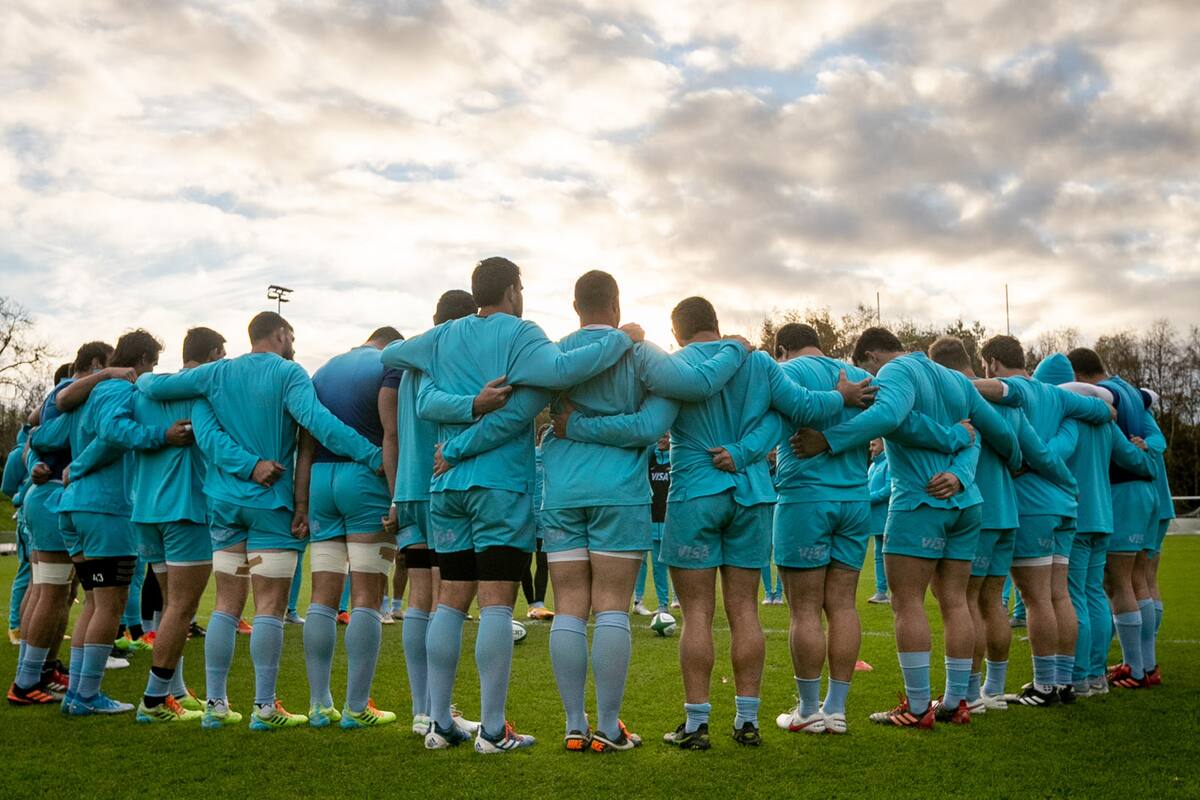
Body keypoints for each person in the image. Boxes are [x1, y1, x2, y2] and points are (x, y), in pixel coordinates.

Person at [564, 297, 872, 748]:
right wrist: (840, 396)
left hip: (695, 494)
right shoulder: (760, 362)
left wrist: (579, 425)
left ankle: (696, 724)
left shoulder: (675, 366)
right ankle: (747, 721)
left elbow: (647, 427)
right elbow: (800, 410)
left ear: (676, 333)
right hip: (752, 496)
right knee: (745, 610)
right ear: (717, 325)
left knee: (697, 616)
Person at [381, 257, 643, 753]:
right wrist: (620, 338)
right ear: (513, 289)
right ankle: (495, 730)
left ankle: (438, 723)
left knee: (450, 600)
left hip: (446, 488)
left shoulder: (442, 336)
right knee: (497, 602)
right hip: (498, 486)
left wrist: (452, 402)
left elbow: (389, 357)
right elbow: (565, 368)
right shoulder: (522, 333)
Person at [537, 271, 753, 753]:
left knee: (569, 606)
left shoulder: (554, 354)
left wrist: (574, 426)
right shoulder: (637, 352)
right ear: (615, 305)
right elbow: (663, 414)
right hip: (619, 492)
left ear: (576, 307)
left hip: (563, 492)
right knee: (612, 604)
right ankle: (609, 729)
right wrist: (737, 348)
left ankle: (574, 726)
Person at [136, 311, 383, 731]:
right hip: (270, 503)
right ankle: (264, 708)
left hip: (224, 506)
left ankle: (216, 707)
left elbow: (151, 385)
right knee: (269, 605)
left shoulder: (215, 374)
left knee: (226, 606)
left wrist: (245, 465)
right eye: (292, 335)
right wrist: (373, 456)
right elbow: (319, 423)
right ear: (281, 334)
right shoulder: (289, 373)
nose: (293, 343)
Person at [791, 327, 1021, 728]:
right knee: (956, 601)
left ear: (871, 356)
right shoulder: (953, 377)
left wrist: (828, 440)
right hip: (966, 504)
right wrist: (968, 471)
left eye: (868, 374)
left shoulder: (894, 372)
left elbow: (888, 416)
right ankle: (958, 700)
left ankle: (917, 708)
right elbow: (984, 432)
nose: (870, 384)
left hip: (919, 500)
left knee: (908, 602)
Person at [36, 331, 193, 715]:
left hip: (75, 506)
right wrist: (162, 435)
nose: (150, 373)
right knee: (110, 605)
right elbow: (112, 435)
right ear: (140, 359)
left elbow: (45, 432)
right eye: (152, 365)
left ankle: (77, 693)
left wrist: (71, 463)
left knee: (93, 604)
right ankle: (86, 695)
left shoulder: (87, 394)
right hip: (104, 507)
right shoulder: (120, 390)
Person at [929, 336, 1076, 712]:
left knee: (966, 603)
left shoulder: (956, 400)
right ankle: (992, 689)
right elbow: (1033, 451)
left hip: (975, 514)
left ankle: (968, 693)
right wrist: (1063, 480)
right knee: (993, 602)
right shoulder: (1009, 403)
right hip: (1009, 514)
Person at [974, 338, 1117, 704]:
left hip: (1032, 505)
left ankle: (1043, 686)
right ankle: (1064, 681)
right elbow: (1105, 410)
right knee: (1058, 595)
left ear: (992, 362)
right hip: (1065, 506)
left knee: (1035, 598)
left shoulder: (1018, 387)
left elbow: (1001, 389)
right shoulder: (1059, 397)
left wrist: (955, 384)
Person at [120, 327, 242, 723]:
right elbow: (213, 443)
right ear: (211, 354)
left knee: (171, 606)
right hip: (185, 509)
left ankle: (174, 691)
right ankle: (154, 701)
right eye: (222, 355)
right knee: (182, 608)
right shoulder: (199, 393)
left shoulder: (147, 389)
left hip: (146, 511)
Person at [296, 326, 404, 729]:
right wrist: (398, 496)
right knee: (366, 598)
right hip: (366, 481)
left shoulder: (323, 372)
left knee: (322, 598)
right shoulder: (390, 363)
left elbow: (305, 445)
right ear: (391, 342)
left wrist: (301, 503)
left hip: (321, 480)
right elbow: (391, 434)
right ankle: (357, 707)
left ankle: (319, 704)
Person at [387, 288, 480, 737]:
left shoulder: (408, 367)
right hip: (440, 484)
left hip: (407, 489)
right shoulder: (449, 358)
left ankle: (423, 710)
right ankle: (441, 712)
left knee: (419, 598)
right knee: (447, 599)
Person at [1066, 348, 1162, 690]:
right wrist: (1147, 451)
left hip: (1119, 494)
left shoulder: (1107, 399)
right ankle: (1145, 666)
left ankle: (1134, 669)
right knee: (1139, 581)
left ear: (1077, 376)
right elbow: (1158, 440)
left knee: (1116, 584)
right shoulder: (1133, 393)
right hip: (1142, 494)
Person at [634, 432, 673, 615]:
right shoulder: (649, 458)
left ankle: (663, 604)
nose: (661, 439)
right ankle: (638, 602)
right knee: (640, 561)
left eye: (665, 435)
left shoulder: (674, 459)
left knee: (660, 565)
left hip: (666, 521)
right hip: (646, 519)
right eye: (659, 435)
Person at [523, 425, 552, 620]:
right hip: (526, 515)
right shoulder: (530, 456)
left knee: (544, 561)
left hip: (546, 516)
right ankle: (530, 602)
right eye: (544, 436)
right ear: (538, 438)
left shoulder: (555, 458)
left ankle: (539, 603)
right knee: (524, 561)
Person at [866, 439, 890, 604]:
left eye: (874, 444)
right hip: (875, 518)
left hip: (887, 516)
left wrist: (866, 498)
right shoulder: (873, 466)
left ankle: (888, 591)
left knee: (889, 555)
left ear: (883, 445)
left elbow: (888, 489)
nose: (871, 448)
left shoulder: (889, 463)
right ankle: (881, 591)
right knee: (878, 555)